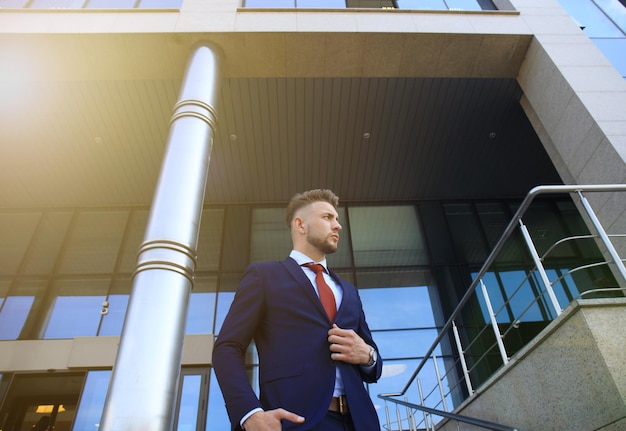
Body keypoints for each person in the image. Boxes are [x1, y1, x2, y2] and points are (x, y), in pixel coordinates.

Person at [213, 189, 382, 431]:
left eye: (337, 219)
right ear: (300, 225)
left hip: (359, 422)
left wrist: (368, 355)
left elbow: (373, 367)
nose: (338, 226)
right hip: (296, 422)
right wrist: (249, 414)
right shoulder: (264, 276)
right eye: (327, 217)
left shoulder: (349, 291)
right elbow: (227, 348)